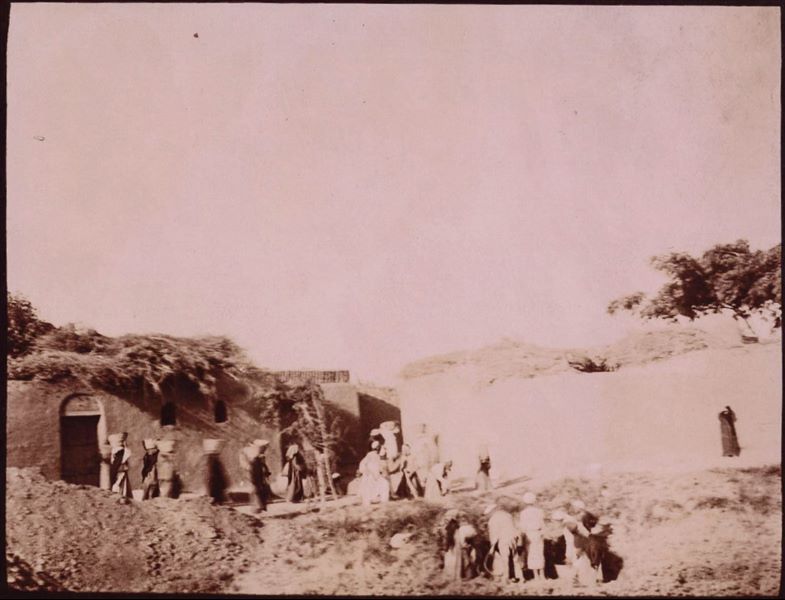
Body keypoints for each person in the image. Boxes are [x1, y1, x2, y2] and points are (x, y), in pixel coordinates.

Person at [519, 492, 545, 581]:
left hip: (529, 534)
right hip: (538, 533)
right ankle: (542, 574)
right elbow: (542, 524)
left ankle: (536, 575)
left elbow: (522, 527)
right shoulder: (539, 511)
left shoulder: (523, 513)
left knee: (531, 554)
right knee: (540, 553)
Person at [240, 439, 272, 513]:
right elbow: (253, 470)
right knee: (256, 492)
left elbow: (263, 467)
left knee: (259, 492)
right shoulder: (254, 460)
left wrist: (266, 473)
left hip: (258, 477)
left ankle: (259, 509)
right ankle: (257, 509)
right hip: (255, 478)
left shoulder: (259, 458)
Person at [358, 441, 390, 506]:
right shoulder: (370, 455)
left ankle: (383, 500)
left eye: (378, 447)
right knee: (368, 487)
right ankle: (367, 502)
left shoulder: (378, 455)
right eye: (377, 448)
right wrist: (365, 470)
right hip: (370, 475)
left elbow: (380, 465)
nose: (377, 449)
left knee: (384, 484)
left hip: (376, 474)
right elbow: (362, 464)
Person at [203, 439, 228, 505]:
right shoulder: (213, 461)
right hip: (215, 486)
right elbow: (212, 475)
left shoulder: (211, 460)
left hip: (215, 486)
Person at [108, 432, 132, 500]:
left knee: (119, 488)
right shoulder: (117, 452)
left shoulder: (120, 452)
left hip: (120, 473)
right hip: (118, 472)